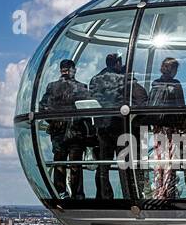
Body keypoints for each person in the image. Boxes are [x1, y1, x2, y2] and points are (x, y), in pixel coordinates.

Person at [40, 58, 91, 199]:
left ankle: (61, 192)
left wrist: (54, 121)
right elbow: (89, 110)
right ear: (73, 70)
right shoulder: (81, 88)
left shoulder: (52, 87)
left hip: (58, 133)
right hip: (76, 132)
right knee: (75, 164)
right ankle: (77, 194)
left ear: (61, 70)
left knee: (59, 162)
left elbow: (42, 107)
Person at [148, 57, 186, 199]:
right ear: (172, 69)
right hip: (172, 128)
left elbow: (150, 105)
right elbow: (181, 108)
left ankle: (159, 191)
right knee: (170, 160)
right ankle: (168, 190)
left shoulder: (155, 84)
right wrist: (181, 125)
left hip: (158, 128)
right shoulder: (176, 85)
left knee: (159, 160)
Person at [88, 53, 127, 201]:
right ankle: (127, 193)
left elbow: (92, 99)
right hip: (118, 126)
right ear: (117, 63)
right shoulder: (120, 79)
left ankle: (104, 195)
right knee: (124, 164)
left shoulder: (95, 79)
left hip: (102, 127)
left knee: (103, 164)